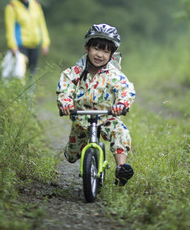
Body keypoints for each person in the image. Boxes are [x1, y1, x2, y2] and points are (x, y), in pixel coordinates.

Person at [56, 23, 136, 186]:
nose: (99, 54)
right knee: (71, 156)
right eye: (96, 49)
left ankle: (121, 168)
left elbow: (125, 89)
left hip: (106, 116)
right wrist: (65, 103)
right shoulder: (75, 72)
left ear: (112, 54)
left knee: (121, 133)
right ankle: (76, 152)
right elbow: (65, 88)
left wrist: (121, 104)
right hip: (81, 118)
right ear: (87, 48)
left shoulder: (113, 74)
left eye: (105, 51)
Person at [4, 0, 50, 74]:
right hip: (20, 47)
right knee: (20, 74)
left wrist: (45, 43)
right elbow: (10, 28)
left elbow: (42, 25)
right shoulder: (12, 6)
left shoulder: (35, 4)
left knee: (32, 73)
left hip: (34, 45)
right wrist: (12, 46)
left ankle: (30, 90)